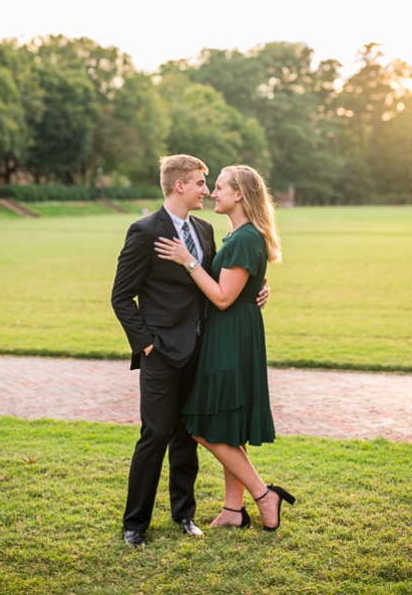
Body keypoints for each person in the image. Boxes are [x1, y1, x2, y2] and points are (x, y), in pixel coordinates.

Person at [111, 155, 269, 550]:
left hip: (203, 351)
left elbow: (221, 279)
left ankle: (184, 514)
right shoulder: (145, 230)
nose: (207, 189)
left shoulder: (205, 229)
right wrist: (148, 344)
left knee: (187, 437)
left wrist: (258, 291)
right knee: (156, 435)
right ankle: (135, 525)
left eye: (210, 183)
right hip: (162, 353)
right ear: (179, 185)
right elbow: (121, 296)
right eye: (201, 182)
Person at [154, 164, 295, 533]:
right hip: (231, 331)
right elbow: (245, 281)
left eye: (219, 187)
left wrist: (188, 261)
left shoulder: (246, 237)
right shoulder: (237, 235)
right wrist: (258, 289)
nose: (212, 194)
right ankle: (234, 510)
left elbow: (220, 297)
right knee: (227, 423)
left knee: (204, 425)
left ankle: (265, 495)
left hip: (231, 334)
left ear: (239, 195)